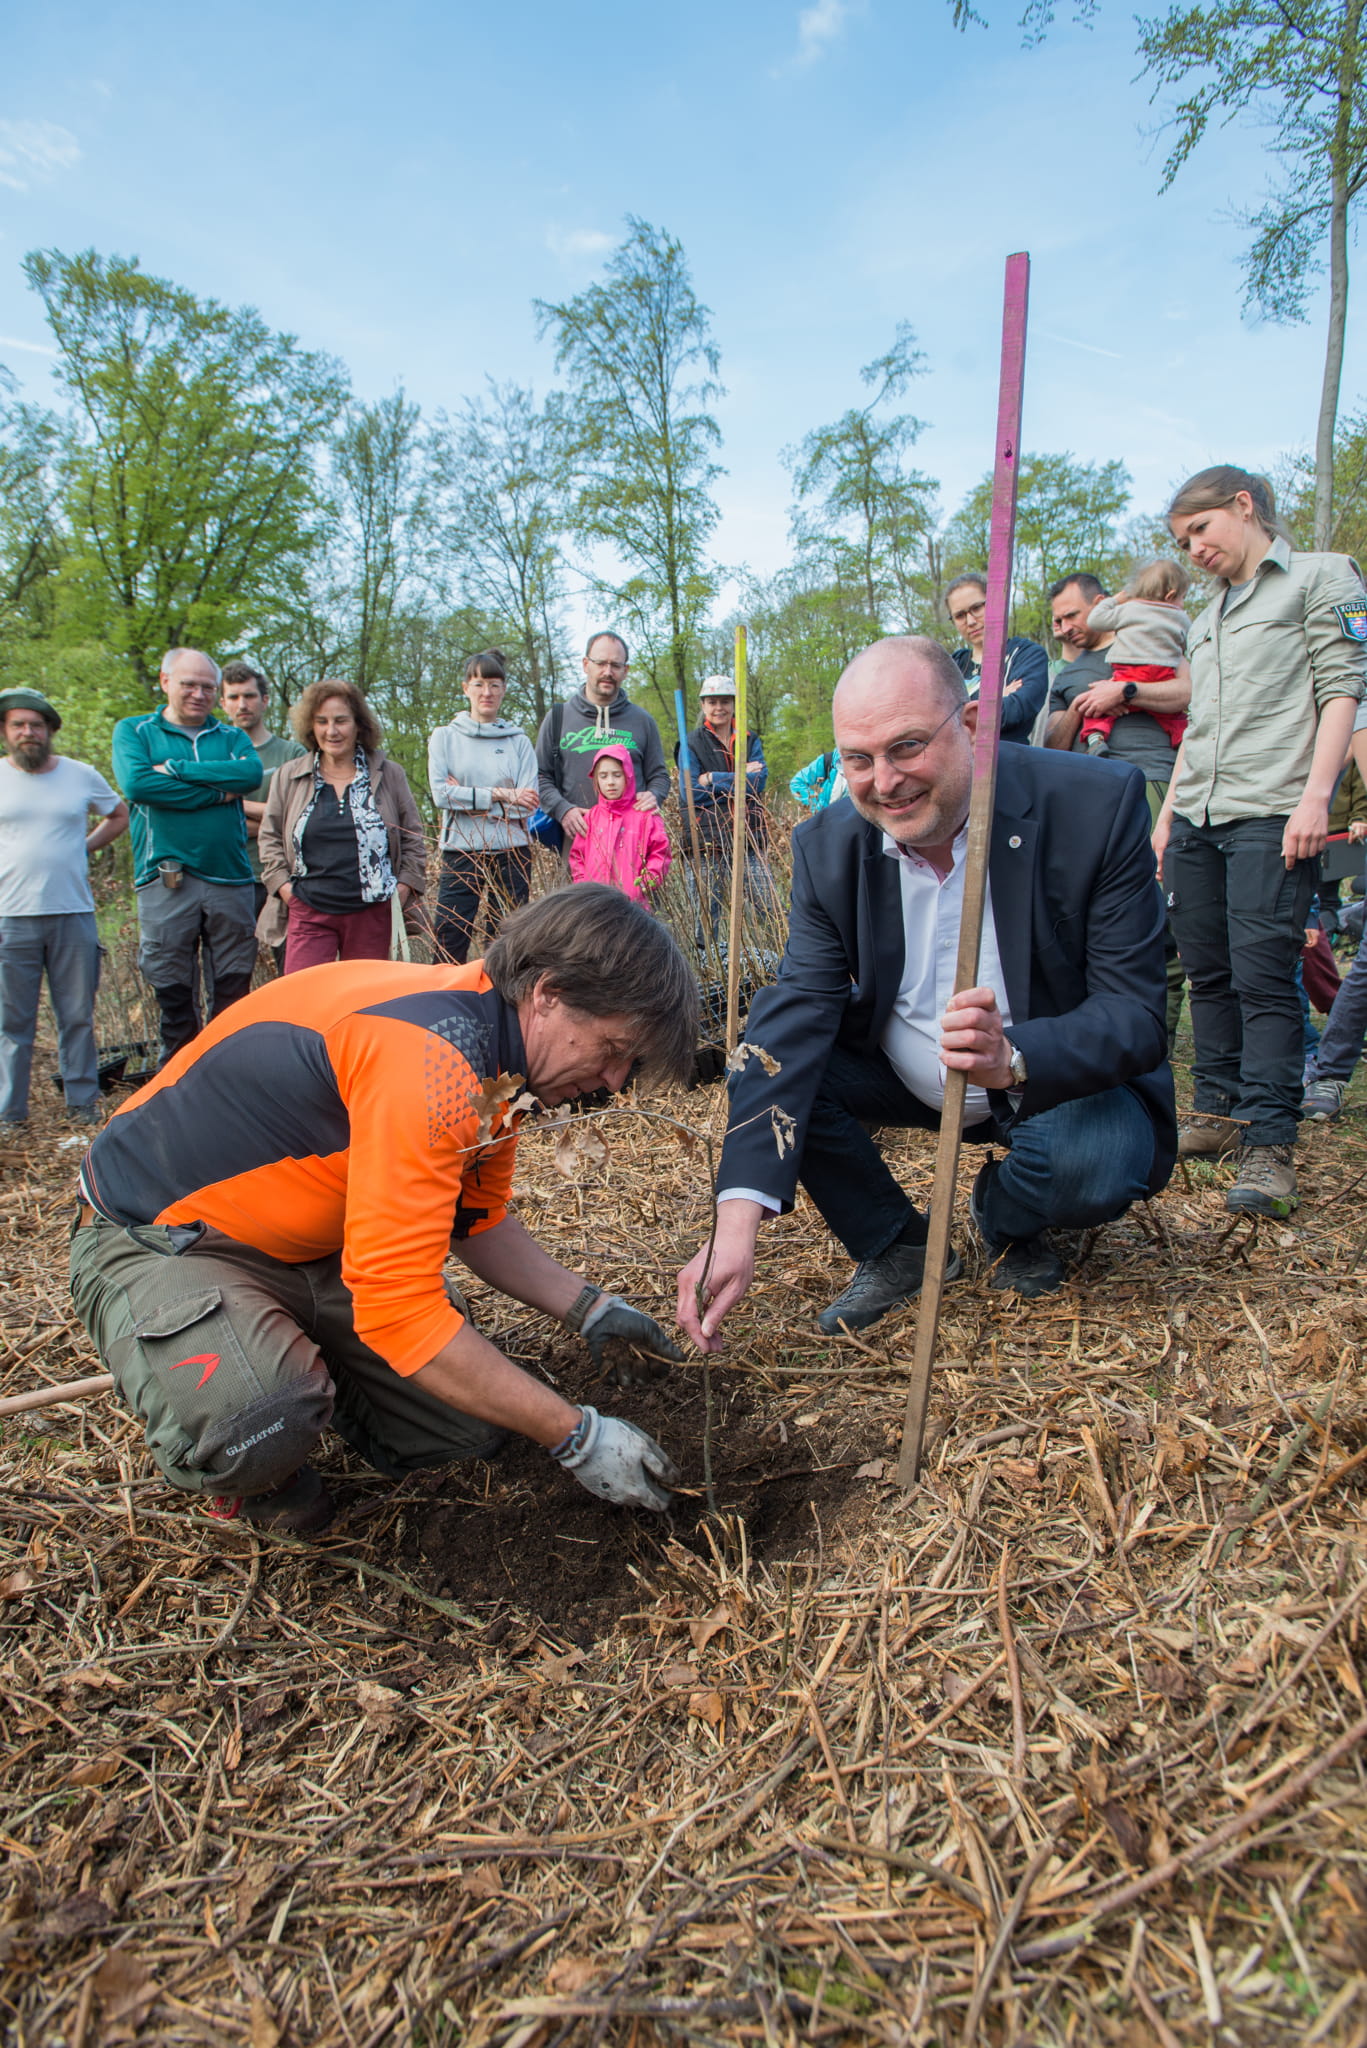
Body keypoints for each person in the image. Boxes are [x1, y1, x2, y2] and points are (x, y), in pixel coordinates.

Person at [70, 886, 699, 1535]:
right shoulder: (429, 1058)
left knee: (466, 1435)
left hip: (317, 1244)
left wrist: (590, 1308)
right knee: (257, 1422)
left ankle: (298, 1353)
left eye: (629, 1063)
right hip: (164, 1237)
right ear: (548, 994)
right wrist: (576, 1436)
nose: (614, 1080)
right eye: (612, 1048)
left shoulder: (497, 1059)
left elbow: (472, 1221)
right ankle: (256, 1463)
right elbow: (400, 1309)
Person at [674, 636, 1176, 1348]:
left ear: (969, 724)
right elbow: (794, 1013)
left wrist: (1014, 1058)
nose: (884, 782)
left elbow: (1134, 1013)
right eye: (858, 759)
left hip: (1044, 1084)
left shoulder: (1093, 805)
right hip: (903, 1076)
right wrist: (736, 1216)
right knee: (770, 1064)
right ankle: (897, 1245)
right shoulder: (828, 847)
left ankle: (1004, 1215)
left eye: (906, 747)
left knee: (1093, 1165)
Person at [1153, 465, 1366, 1216]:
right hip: (1198, 815)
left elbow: (1342, 690)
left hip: (1273, 811)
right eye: (1182, 540)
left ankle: (1270, 1143)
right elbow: (1199, 724)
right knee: (1207, 970)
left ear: (1242, 506)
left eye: (1200, 529)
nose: (1193, 549)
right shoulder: (1205, 614)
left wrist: (1316, 798)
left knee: (1262, 976)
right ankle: (1217, 1111)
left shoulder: (1320, 577)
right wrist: (1167, 816)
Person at [1045, 572, 1190, 1045]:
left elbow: (1191, 693)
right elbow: (1052, 745)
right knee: (1087, 922)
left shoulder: (1155, 637)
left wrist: (1125, 690)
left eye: (1071, 615)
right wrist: (1082, 706)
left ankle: (1154, 1046)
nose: (1064, 628)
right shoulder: (1066, 674)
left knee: (1159, 921)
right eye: (1056, 621)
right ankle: (1103, 1040)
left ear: (1102, 604)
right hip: (1083, 802)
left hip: (1152, 786)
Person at [112, 649, 263, 1067]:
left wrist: (176, 769)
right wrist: (218, 793)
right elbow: (138, 785)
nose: (199, 694)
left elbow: (250, 776)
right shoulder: (134, 731)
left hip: (230, 876)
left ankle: (228, 1071)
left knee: (233, 984)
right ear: (165, 682)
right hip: (164, 878)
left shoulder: (231, 737)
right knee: (171, 986)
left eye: (207, 687)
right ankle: (178, 1075)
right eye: (188, 684)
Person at [0, 688, 128, 1128]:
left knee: (76, 1016)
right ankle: (10, 1114)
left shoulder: (80, 774)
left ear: (50, 730)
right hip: (10, 915)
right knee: (12, 1022)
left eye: (36, 725)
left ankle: (82, 1103)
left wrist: (83, 847)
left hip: (72, 912)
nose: (28, 732)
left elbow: (118, 814)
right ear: (5, 731)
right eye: (18, 724)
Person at [258, 679, 427, 972]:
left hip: (372, 912)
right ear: (311, 726)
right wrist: (285, 889)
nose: (331, 731)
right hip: (308, 910)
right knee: (305, 993)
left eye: (340, 721)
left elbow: (413, 837)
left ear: (358, 724)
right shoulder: (289, 776)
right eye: (322, 721)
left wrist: (403, 888)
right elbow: (269, 837)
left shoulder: (389, 774)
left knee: (366, 995)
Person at [428, 650, 538, 964]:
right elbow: (441, 796)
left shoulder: (519, 742)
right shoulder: (444, 738)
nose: (486, 692)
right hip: (461, 851)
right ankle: (446, 994)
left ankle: (497, 995)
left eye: (494, 684)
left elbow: (527, 805)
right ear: (466, 688)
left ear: (504, 689)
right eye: (478, 684)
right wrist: (503, 794)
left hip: (512, 851)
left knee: (506, 942)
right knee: (450, 938)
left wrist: (466, 798)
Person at [534, 633, 671, 840]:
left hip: (632, 840)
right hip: (578, 839)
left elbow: (659, 776)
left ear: (625, 670)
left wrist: (654, 795)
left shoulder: (642, 721)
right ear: (586, 664)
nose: (608, 672)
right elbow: (540, 776)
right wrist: (563, 810)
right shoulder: (558, 718)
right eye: (600, 663)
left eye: (615, 665)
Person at [677, 676, 773, 927]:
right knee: (705, 922)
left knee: (770, 911)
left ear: (733, 704)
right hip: (707, 842)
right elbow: (691, 792)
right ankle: (704, 955)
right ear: (703, 705)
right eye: (712, 702)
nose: (719, 707)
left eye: (724, 701)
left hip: (749, 838)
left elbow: (758, 782)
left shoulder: (749, 739)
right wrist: (741, 777)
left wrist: (711, 778)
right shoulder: (690, 744)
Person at [219, 660, 306, 923]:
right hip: (227, 877)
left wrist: (233, 803)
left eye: (249, 696)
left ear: (264, 700)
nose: (242, 704)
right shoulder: (213, 757)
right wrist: (273, 819)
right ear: (222, 703)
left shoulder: (292, 754)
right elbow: (208, 820)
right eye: (233, 697)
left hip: (282, 877)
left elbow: (299, 817)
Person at [1077, 562, 1191, 756]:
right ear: (1170, 595)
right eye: (1183, 597)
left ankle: (1095, 738)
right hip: (1162, 673)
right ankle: (1182, 742)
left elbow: (1095, 620)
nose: (1182, 603)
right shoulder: (1181, 617)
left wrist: (1115, 600)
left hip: (1129, 672)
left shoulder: (1128, 609)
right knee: (1174, 716)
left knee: (1100, 706)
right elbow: (1187, 643)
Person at [945, 573, 1048, 743]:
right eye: (960, 615)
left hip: (1007, 755)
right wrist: (995, 698)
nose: (970, 621)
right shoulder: (952, 664)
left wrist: (960, 711)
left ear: (995, 603)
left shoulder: (1027, 654)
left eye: (977, 608)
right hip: (959, 759)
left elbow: (1015, 712)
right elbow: (936, 720)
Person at [568, 746, 672, 906]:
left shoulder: (645, 815)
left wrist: (644, 884)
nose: (610, 782)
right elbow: (577, 857)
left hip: (634, 906)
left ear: (628, 776)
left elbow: (660, 852)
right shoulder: (590, 818)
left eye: (617, 775)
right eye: (603, 776)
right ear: (596, 780)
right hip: (594, 905)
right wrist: (584, 887)